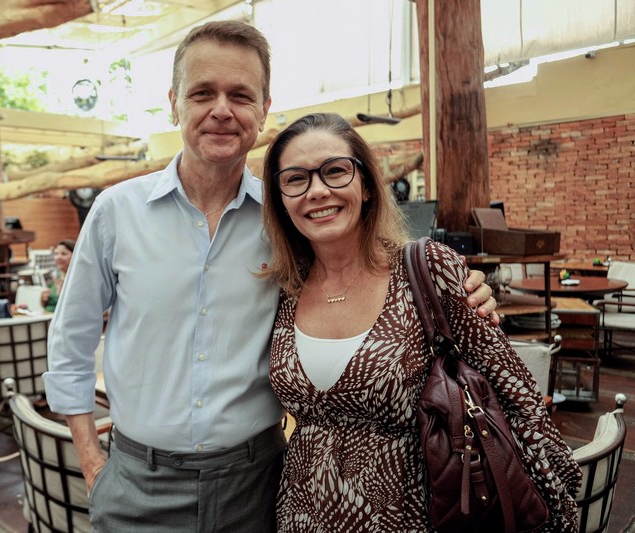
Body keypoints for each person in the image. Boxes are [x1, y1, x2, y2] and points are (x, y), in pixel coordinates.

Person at [44, 21, 497, 532]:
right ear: (174, 103)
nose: (222, 110)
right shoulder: (115, 213)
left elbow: (359, 266)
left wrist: (455, 288)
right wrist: (93, 465)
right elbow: (71, 343)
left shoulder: (287, 218)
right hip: (136, 487)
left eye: (240, 95)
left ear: (263, 109)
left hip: (258, 485)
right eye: (202, 93)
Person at [260, 112, 580, 531]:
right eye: (296, 179)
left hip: (415, 514)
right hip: (301, 515)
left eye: (335, 171)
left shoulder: (426, 268)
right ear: (281, 199)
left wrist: (558, 502)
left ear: (367, 185)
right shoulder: (285, 288)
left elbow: (514, 392)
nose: (317, 191)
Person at [41, 239, 74, 312]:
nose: (58, 257)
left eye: (64, 254)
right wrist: (43, 299)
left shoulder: (75, 279)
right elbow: (47, 304)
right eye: (56, 254)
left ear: (74, 256)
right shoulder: (55, 276)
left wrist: (60, 292)